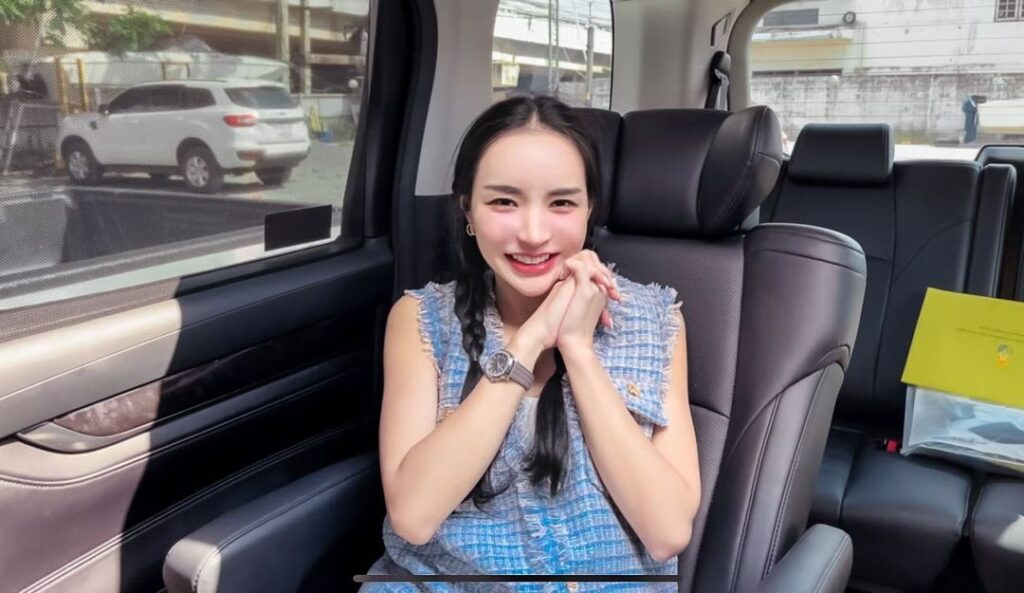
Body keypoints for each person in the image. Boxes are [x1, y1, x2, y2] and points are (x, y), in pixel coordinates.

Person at [360, 95, 701, 592]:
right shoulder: (421, 320)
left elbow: (667, 532)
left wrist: (578, 350)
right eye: (504, 202)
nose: (534, 233)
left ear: (589, 209)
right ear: (468, 209)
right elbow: (414, 516)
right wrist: (530, 341)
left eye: (561, 202)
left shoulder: (656, 320)